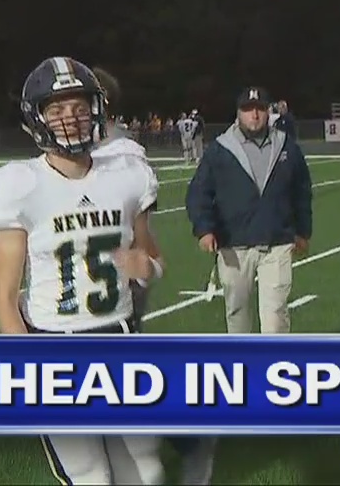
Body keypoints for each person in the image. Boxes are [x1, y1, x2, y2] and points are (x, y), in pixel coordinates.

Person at [0, 56, 165, 485]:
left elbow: (152, 259)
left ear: (96, 111)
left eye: (80, 108)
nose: (71, 119)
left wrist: (148, 268)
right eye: (57, 110)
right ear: (37, 117)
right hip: (55, 345)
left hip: (120, 338)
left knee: (147, 471)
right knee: (91, 478)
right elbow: (4, 295)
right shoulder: (20, 184)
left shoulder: (127, 174)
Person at [92, 66, 219, 486]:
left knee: (115, 379)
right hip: (84, 286)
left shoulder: (122, 153)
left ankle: (187, 439)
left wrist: (141, 269)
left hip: (117, 279)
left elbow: (140, 233)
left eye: (72, 104)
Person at [184, 87, 312, 335]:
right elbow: (198, 192)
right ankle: (242, 366)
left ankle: (273, 369)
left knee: (275, 319)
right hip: (234, 245)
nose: (254, 115)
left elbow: (301, 191)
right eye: (248, 110)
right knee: (237, 316)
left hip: (277, 242)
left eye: (259, 109)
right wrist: (204, 229)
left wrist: (303, 231)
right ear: (238, 113)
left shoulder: (287, 146)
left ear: (268, 112)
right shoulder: (220, 149)